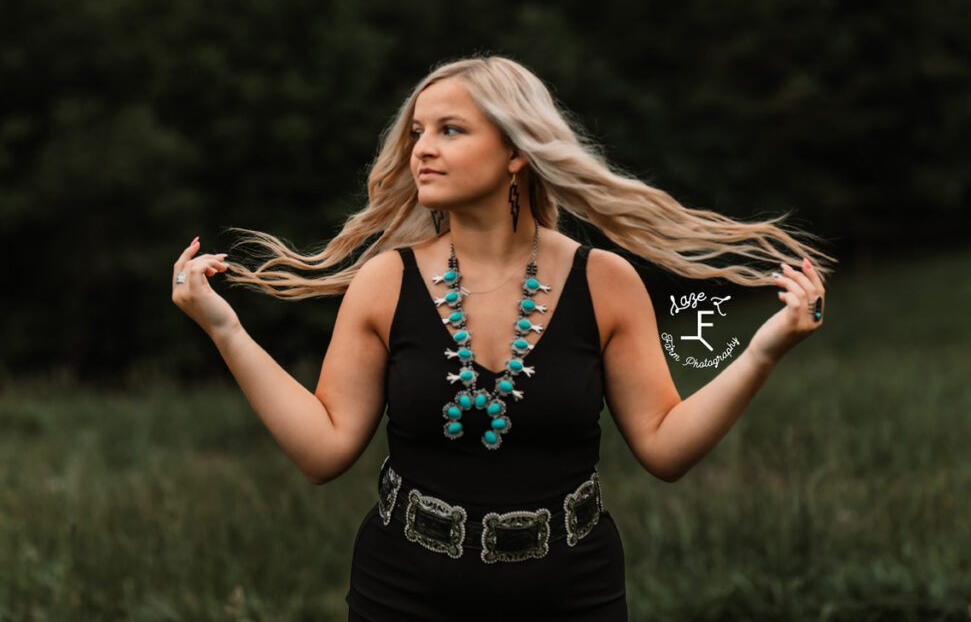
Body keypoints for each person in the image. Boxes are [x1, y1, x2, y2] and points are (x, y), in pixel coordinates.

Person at [171, 55, 834, 621]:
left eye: (450, 130)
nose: (421, 148)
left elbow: (664, 445)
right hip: (403, 591)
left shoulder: (604, 281)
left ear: (517, 151)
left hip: (573, 592)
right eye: (417, 132)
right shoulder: (385, 282)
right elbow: (323, 449)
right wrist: (224, 327)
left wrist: (764, 349)